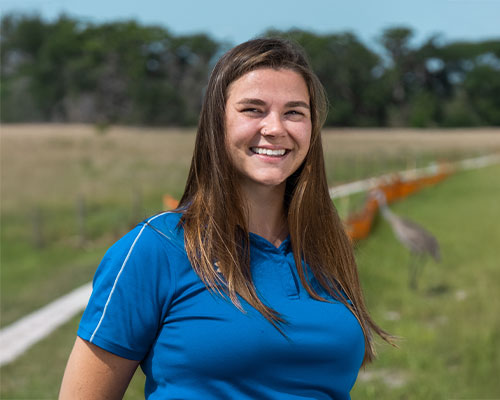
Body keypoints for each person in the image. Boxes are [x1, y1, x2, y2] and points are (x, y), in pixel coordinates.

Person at [60, 37, 392, 400]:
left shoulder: (326, 246)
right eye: (253, 109)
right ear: (216, 122)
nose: (275, 128)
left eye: (294, 112)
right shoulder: (157, 249)